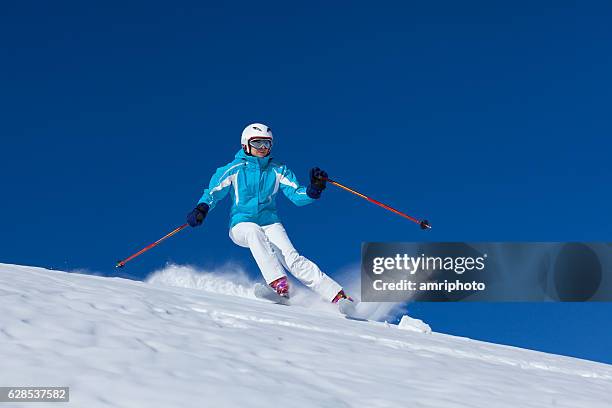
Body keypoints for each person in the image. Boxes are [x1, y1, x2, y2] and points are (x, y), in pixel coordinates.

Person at [186, 123, 351, 305]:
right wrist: (202, 208)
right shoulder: (233, 169)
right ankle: (280, 285)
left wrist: (313, 190)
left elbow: (296, 194)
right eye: (257, 143)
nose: (263, 148)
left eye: (267, 144)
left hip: (270, 222)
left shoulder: (278, 169)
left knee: (292, 258)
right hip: (241, 224)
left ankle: (338, 296)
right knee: (253, 232)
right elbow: (213, 192)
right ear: (245, 145)